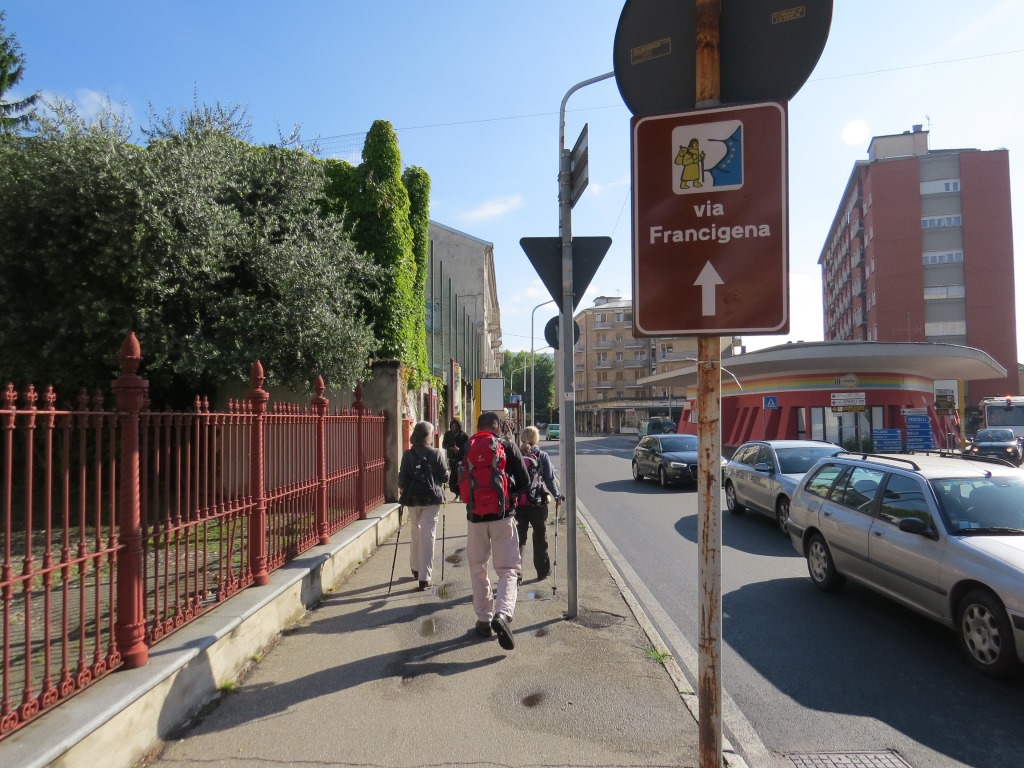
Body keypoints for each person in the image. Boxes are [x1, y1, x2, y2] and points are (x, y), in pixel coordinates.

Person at [460, 411, 529, 650]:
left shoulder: (467, 447)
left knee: (478, 568)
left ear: (478, 427)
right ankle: (503, 614)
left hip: (475, 518)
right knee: (508, 569)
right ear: (497, 427)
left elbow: (455, 484)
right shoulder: (506, 446)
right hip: (502, 516)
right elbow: (525, 481)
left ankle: (483, 620)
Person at [397, 421, 449, 591]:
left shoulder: (408, 454)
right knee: (428, 535)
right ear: (427, 435)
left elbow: (402, 479)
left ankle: (415, 567)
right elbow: (444, 477)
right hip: (431, 499)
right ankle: (424, 577)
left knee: (415, 531)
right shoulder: (436, 453)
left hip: (413, 499)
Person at [515, 425, 563, 583]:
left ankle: (516, 576)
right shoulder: (542, 456)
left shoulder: (516, 455)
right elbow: (549, 480)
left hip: (519, 504)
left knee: (519, 540)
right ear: (537, 439)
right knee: (540, 538)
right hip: (538, 504)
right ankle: (542, 572)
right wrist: (556, 495)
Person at [440, 418, 468, 500]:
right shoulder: (448, 434)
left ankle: (461, 493)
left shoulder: (463, 435)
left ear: (458, 427)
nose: (454, 428)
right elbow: (444, 445)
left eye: (455, 426)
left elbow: (468, 446)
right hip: (452, 458)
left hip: (461, 458)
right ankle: (456, 493)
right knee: (453, 477)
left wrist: (460, 450)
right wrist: (452, 448)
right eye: (452, 426)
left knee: (461, 476)